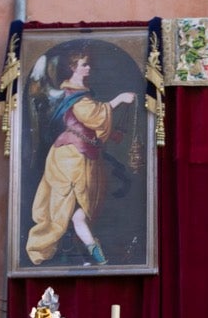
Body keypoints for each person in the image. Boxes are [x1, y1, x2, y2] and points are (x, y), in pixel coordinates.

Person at [25, 48, 136, 267]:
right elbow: (92, 115)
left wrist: (111, 133)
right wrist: (119, 99)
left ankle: (92, 255)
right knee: (63, 207)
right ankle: (74, 252)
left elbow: (86, 123)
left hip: (83, 155)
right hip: (69, 157)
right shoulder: (73, 94)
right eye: (84, 64)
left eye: (88, 64)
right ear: (73, 68)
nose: (88, 68)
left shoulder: (82, 92)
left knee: (80, 211)